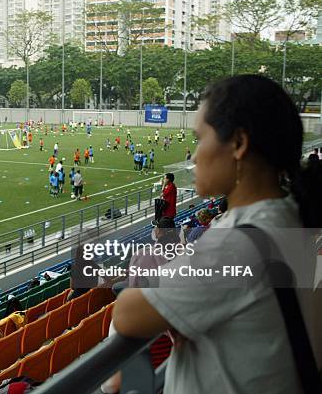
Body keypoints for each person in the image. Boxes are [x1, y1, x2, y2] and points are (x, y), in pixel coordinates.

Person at [111, 75, 322, 394]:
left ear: (238, 144)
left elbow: (127, 315)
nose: (194, 156)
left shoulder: (235, 245)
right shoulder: (289, 218)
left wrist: (165, 292)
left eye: (200, 138)